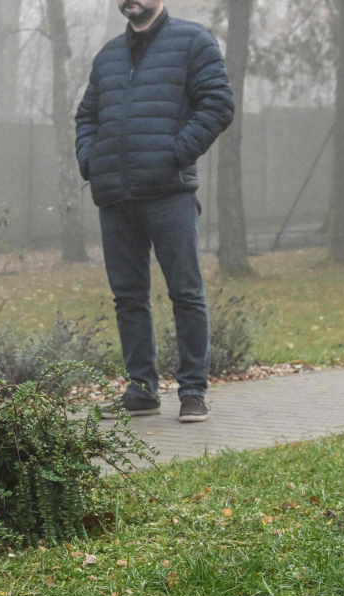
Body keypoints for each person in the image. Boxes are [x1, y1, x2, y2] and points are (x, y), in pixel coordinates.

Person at [75, 0, 233, 422]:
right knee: (128, 298)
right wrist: (91, 161)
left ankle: (193, 392)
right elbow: (87, 115)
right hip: (115, 196)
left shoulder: (193, 41)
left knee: (186, 293)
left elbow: (217, 104)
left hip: (169, 192)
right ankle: (142, 390)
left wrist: (174, 155)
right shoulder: (108, 55)